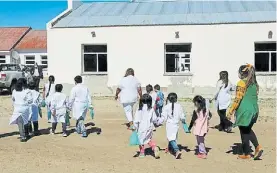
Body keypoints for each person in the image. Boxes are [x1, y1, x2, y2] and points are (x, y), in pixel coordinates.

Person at [227, 64, 263, 160]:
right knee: (245, 130)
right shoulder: (254, 84)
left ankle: (257, 147)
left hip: (245, 110)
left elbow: (238, 98)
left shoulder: (241, 83)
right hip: (254, 110)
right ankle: (247, 153)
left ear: (241, 74)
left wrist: (230, 111)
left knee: (245, 130)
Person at [159, 92, 185, 159]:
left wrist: (158, 122)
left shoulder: (166, 107)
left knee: (171, 138)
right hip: (176, 124)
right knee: (173, 137)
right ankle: (170, 148)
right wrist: (183, 121)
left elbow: (163, 117)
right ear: (176, 99)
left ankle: (176, 150)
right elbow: (182, 116)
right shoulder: (179, 106)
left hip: (169, 125)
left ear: (168, 99)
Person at [133, 94, 160, 159]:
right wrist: (157, 123)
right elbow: (154, 119)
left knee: (140, 140)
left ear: (141, 101)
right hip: (149, 127)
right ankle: (154, 147)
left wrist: (135, 127)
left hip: (141, 127)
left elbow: (136, 120)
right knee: (148, 139)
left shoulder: (139, 109)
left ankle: (142, 152)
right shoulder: (151, 109)